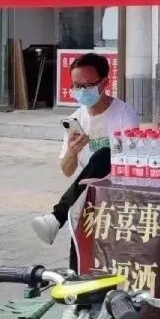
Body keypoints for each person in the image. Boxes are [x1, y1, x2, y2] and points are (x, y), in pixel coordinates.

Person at [31, 52, 137, 245]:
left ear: (104, 83)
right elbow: (67, 171)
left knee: (104, 154)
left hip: (116, 196)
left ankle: (57, 217)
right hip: (83, 198)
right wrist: (72, 151)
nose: (81, 91)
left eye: (87, 86)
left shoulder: (124, 115)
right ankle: (58, 218)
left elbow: (130, 162)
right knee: (79, 256)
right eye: (77, 86)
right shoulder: (75, 119)